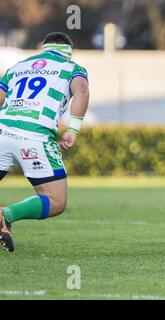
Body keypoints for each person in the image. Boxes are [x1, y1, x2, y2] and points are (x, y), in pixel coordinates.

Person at [0, 32, 89, 252]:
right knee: (55, 201)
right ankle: (6, 215)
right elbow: (82, 92)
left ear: (44, 48)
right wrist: (73, 130)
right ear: (68, 53)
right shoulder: (72, 68)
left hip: (2, 130)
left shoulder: (17, 67)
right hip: (36, 136)